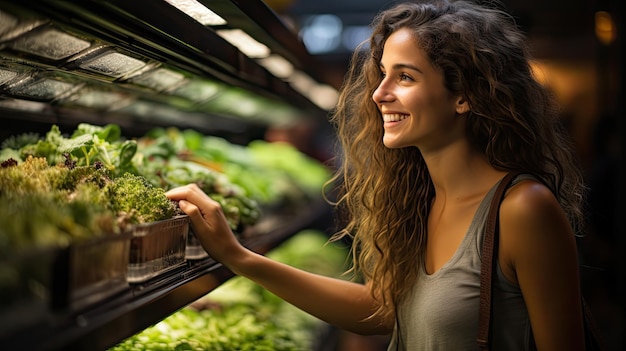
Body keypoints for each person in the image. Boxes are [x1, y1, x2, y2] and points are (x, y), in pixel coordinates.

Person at [165, 0, 588, 349]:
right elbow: (382, 309)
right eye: (382, 73)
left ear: (464, 95)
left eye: (404, 77)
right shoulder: (421, 199)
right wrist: (239, 257)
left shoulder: (523, 210)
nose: (380, 93)